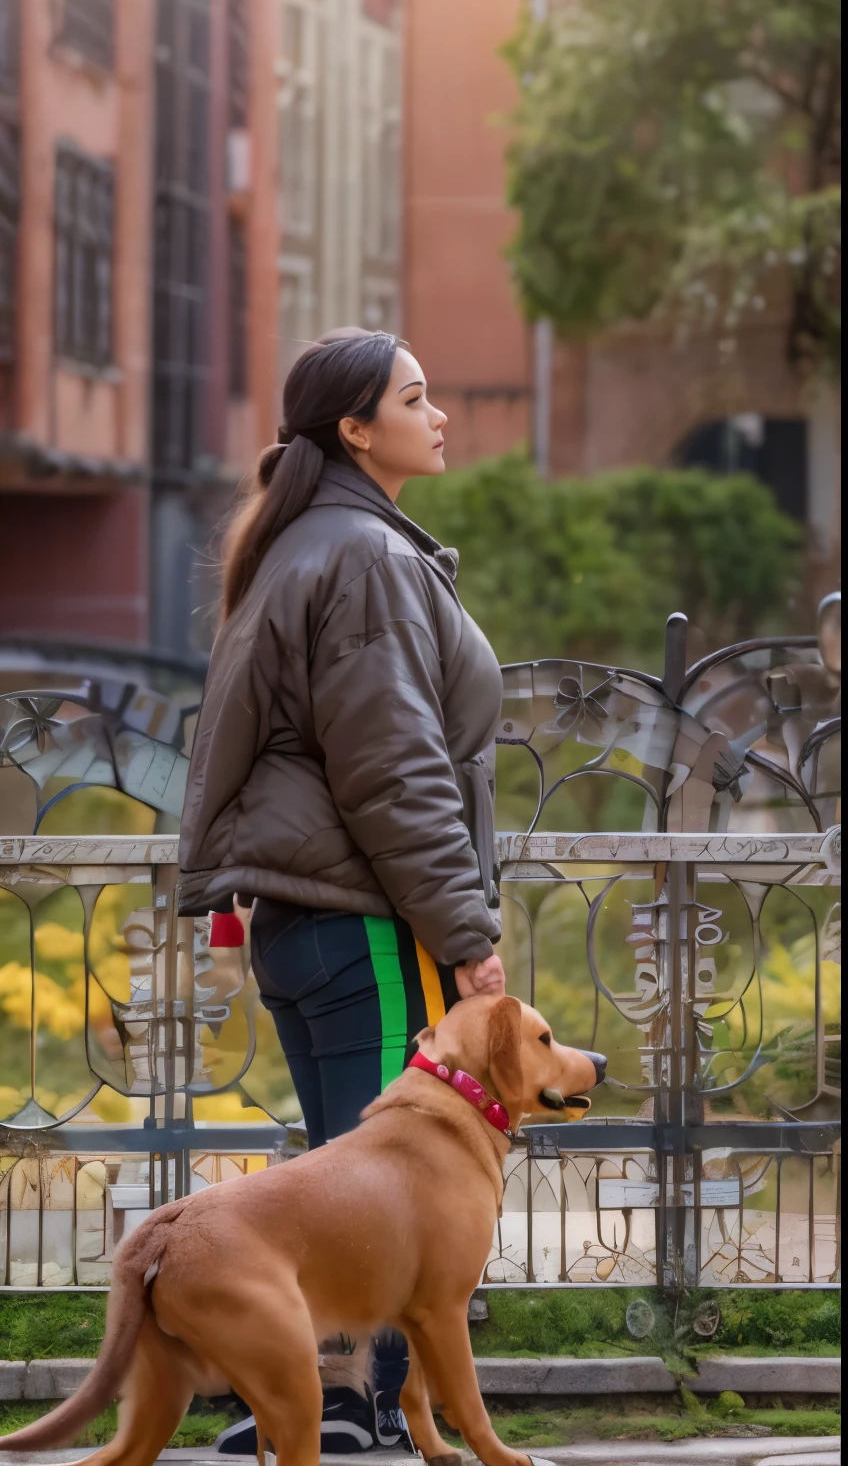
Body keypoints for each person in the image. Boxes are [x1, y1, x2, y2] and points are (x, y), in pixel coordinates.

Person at [178, 328, 506, 1455]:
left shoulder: (300, 545)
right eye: (416, 398)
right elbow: (393, 767)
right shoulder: (361, 555)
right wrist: (465, 933)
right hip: (366, 919)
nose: (440, 414)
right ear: (356, 429)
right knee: (392, 1189)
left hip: (302, 923)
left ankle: (309, 1408)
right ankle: (345, 1410)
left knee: (338, 1171)